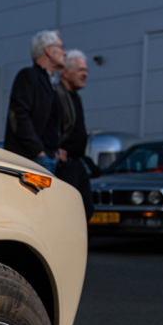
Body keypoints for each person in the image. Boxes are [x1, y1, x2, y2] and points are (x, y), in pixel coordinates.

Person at [4, 30, 65, 173]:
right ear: (49, 50)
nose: (65, 53)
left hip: (47, 157)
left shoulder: (50, 82)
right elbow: (18, 116)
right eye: (61, 47)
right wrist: (38, 152)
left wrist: (55, 150)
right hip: (33, 159)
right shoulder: (28, 76)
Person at [54, 49, 92, 218]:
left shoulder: (75, 97)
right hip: (64, 164)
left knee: (86, 210)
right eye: (81, 70)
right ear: (66, 72)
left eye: (86, 70)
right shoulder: (56, 95)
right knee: (69, 212)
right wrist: (54, 149)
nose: (85, 75)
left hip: (76, 161)